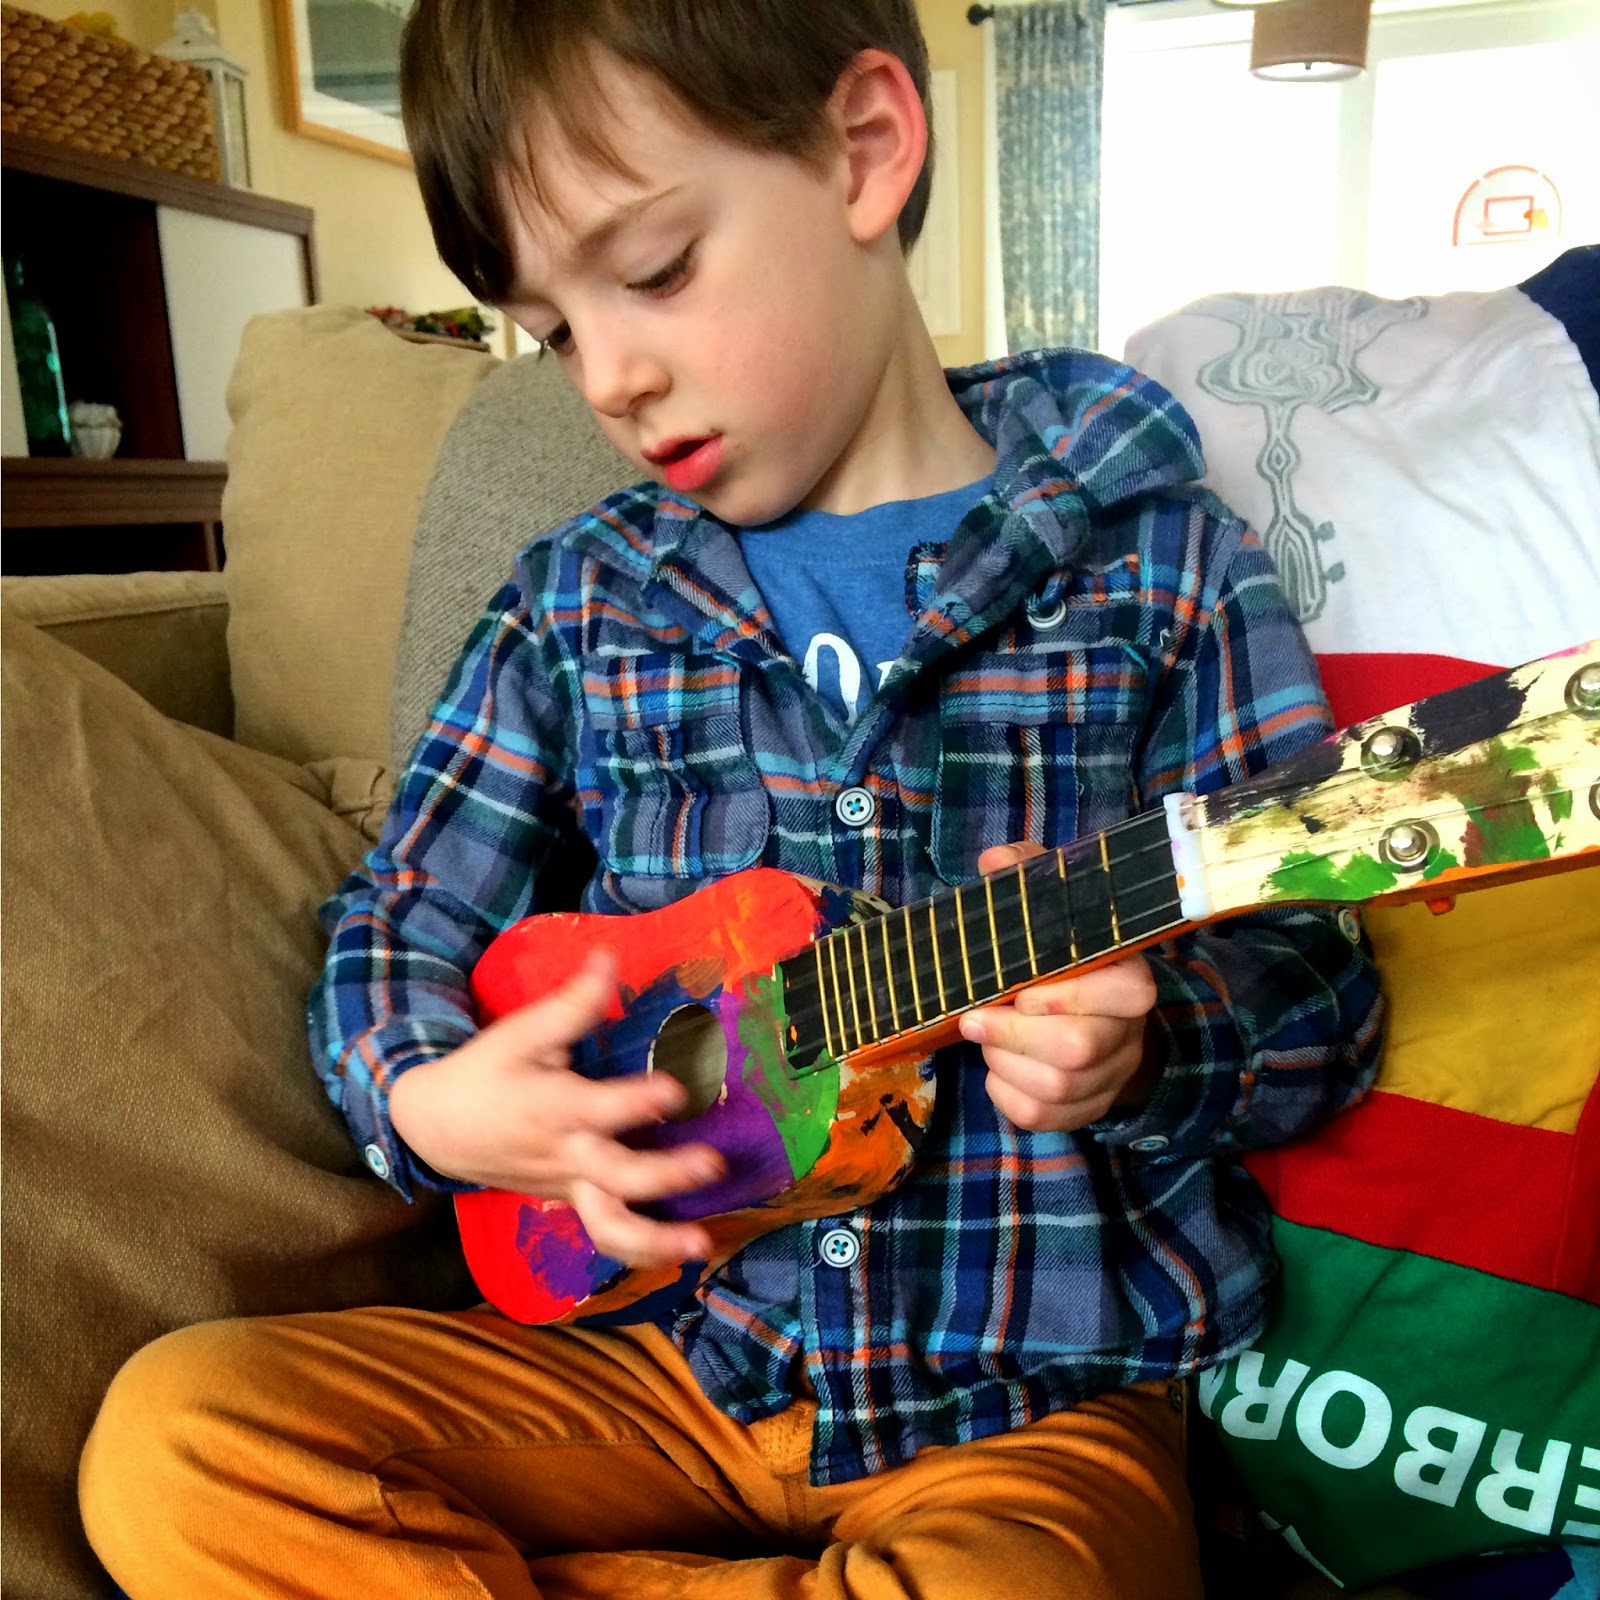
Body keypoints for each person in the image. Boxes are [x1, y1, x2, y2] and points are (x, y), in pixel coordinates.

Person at [78, 3, 1385, 1596]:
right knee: (178, 1440)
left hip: (1021, 1403)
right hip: (655, 1364)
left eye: (652, 271)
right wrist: (422, 1099)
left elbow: (1319, 985)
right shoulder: (579, 605)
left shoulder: (1162, 571)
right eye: (553, 333)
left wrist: (1152, 1047)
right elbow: (405, 912)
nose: (611, 380)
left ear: (864, 150)